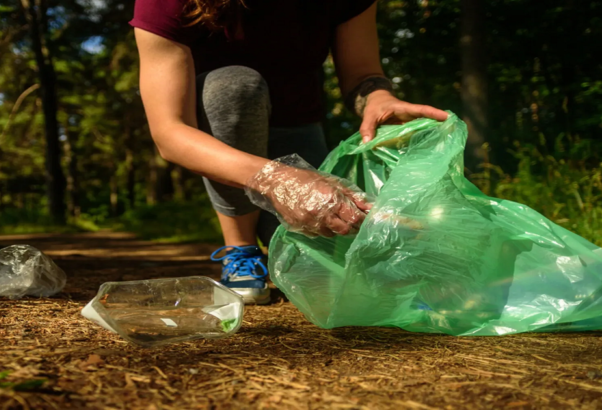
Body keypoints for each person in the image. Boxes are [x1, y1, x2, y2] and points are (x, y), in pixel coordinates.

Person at [130, 0, 447, 304]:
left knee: (329, 263)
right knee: (236, 86)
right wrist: (276, 180)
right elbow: (170, 132)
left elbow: (362, 75)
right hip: (220, 134)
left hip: (298, 126)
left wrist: (378, 98)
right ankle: (241, 249)